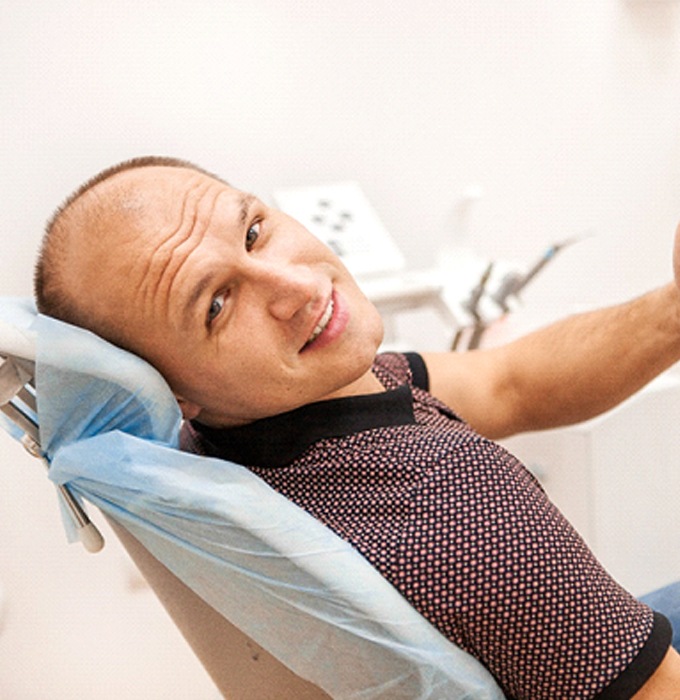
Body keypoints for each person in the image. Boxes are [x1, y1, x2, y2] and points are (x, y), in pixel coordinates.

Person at [34, 156, 680, 699]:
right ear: (173, 390)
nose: (296, 285)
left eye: (254, 231)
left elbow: (508, 382)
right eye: (218, 304)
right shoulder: (455, 503)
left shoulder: (247, 440)